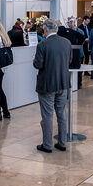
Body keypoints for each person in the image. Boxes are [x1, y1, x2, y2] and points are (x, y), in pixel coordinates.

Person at [33, 19, 69, 153]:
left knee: (47, 115)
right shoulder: (66, 42)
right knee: (61, 114)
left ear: (46, 30)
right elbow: (69, 61)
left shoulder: (43, 44)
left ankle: (47, 145)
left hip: (47, 84)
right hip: (63, 83)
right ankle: (62, 143)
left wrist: (34, 60)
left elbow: (38, 64)